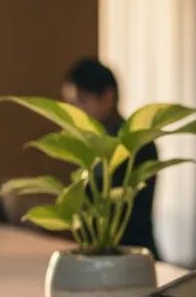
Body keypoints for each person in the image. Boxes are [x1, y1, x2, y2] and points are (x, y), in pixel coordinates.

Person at [61, 58, 160, 259]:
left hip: (132, 257)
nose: (74, 113)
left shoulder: (137, 145)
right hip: (99, 257)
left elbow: (131, 217)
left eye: (81, 101)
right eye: (70, 105)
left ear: (107, 96)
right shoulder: (85, 147)